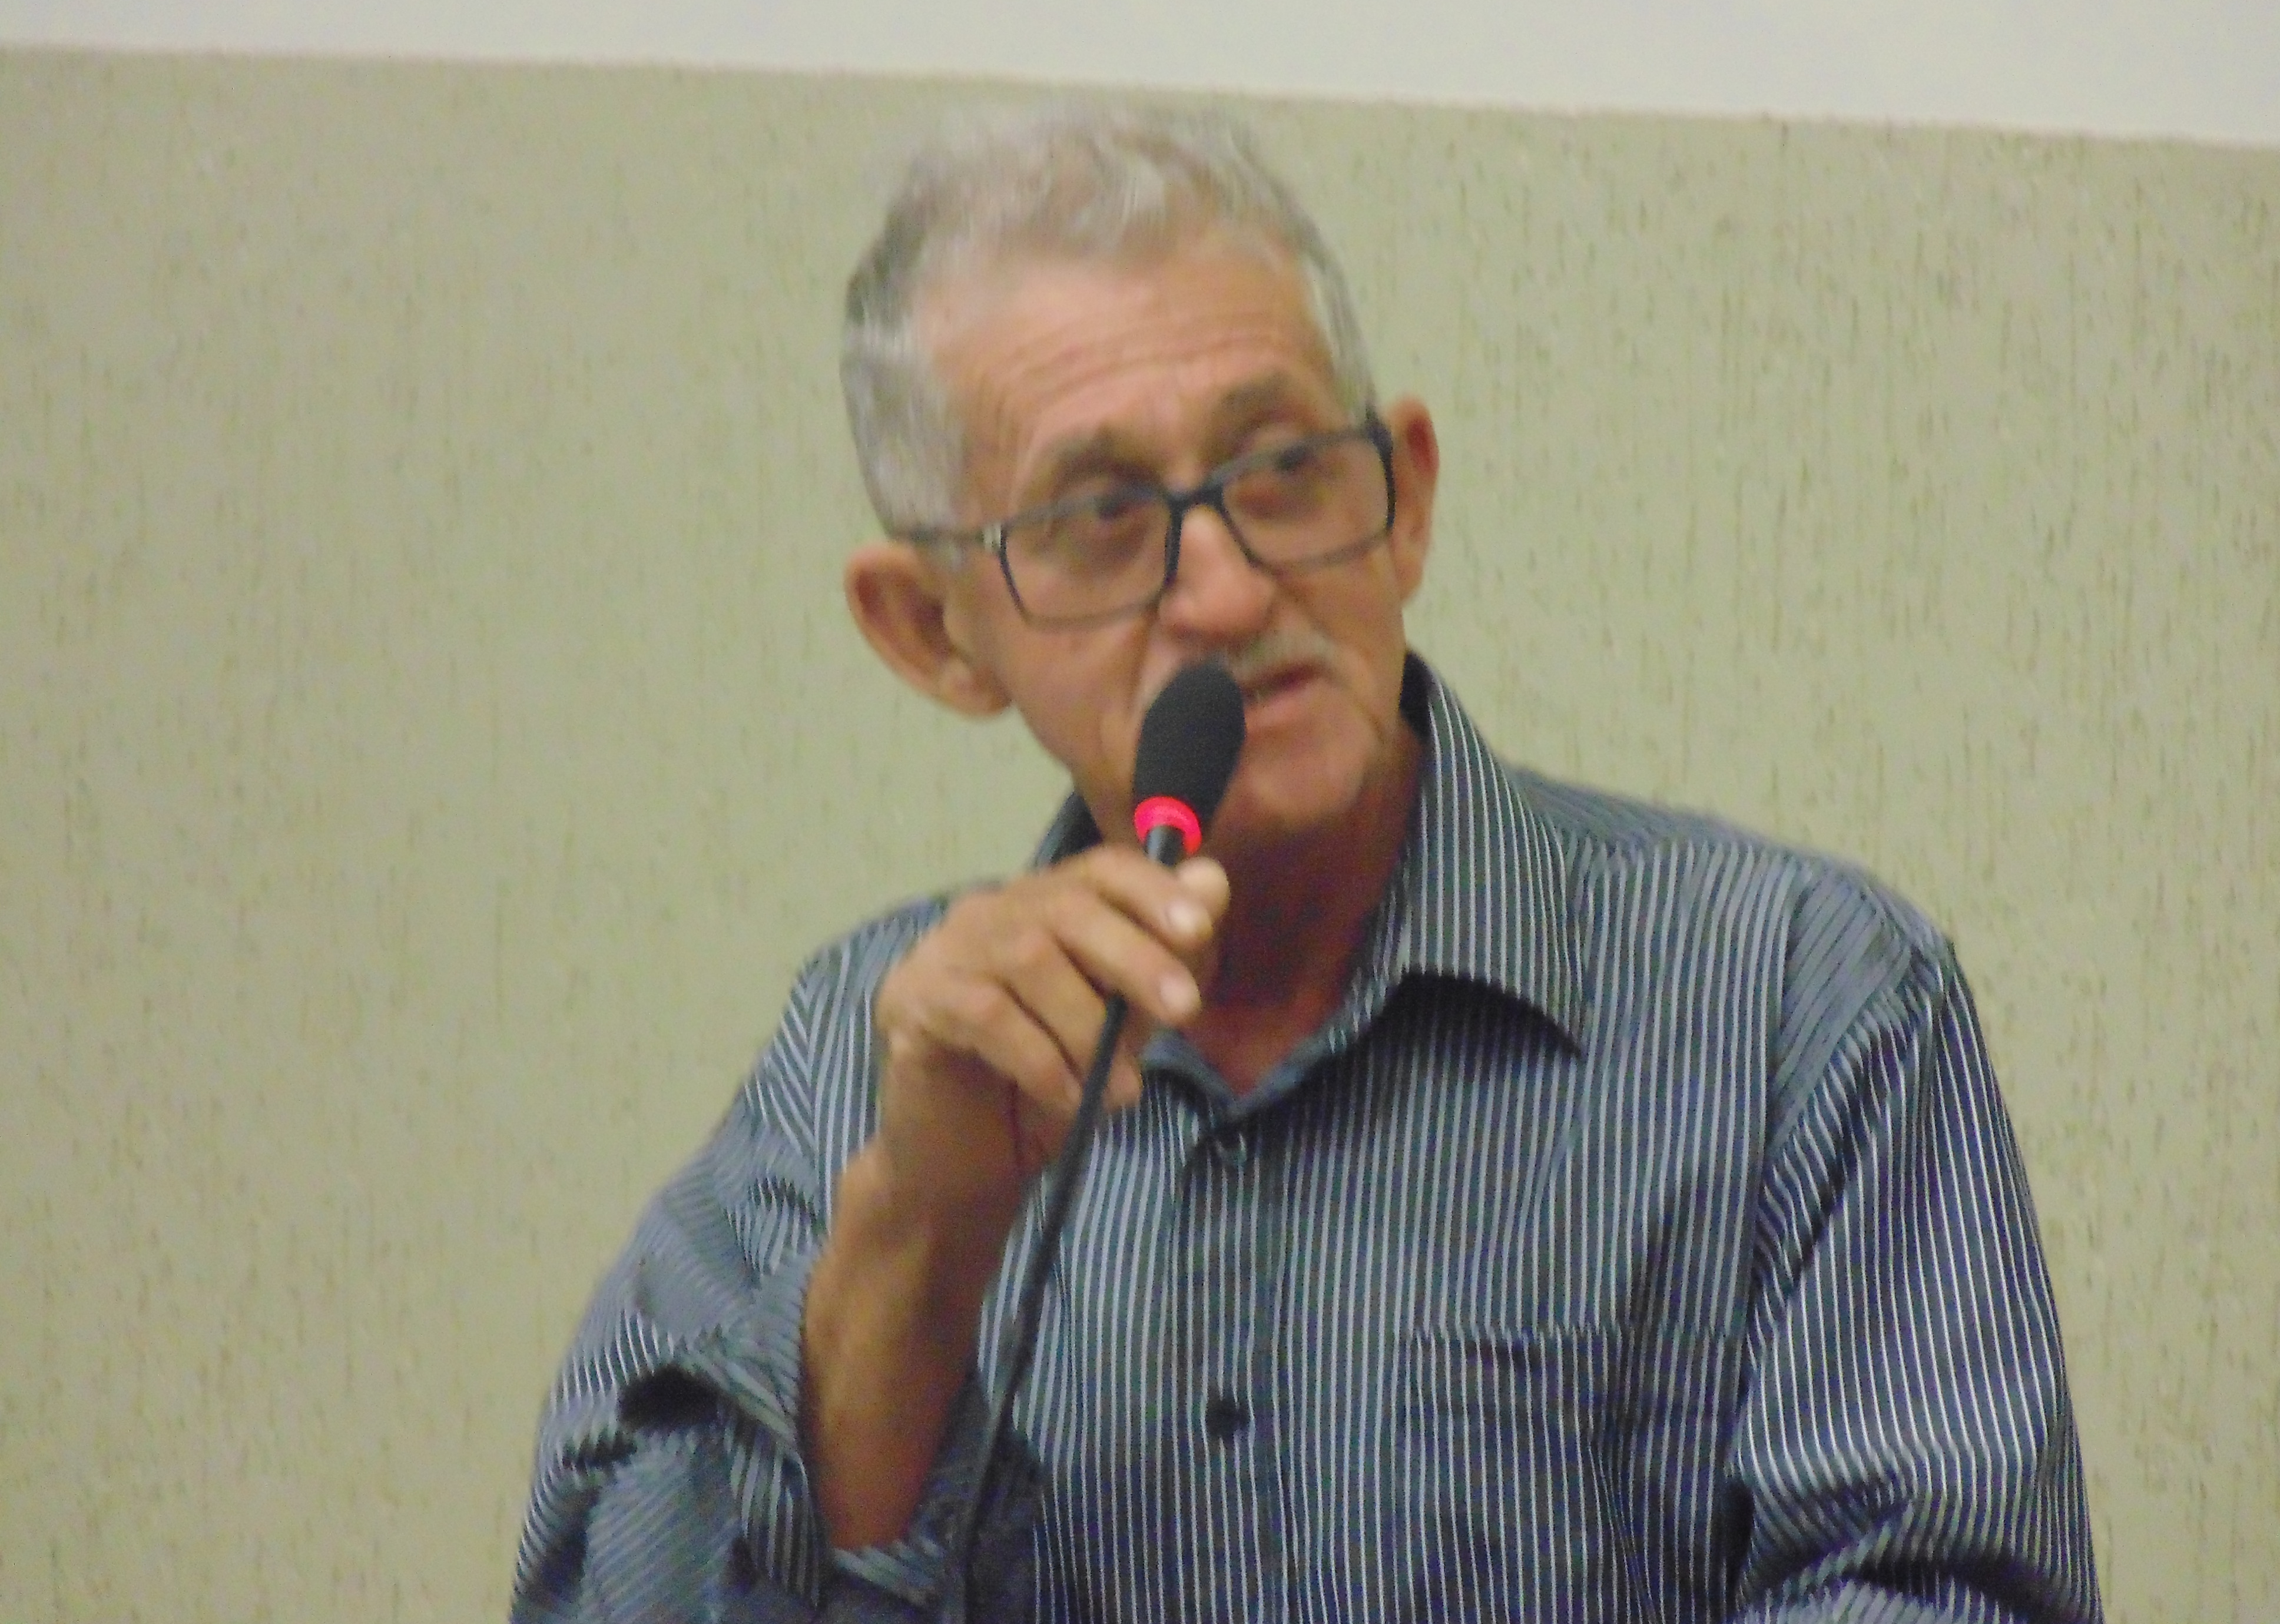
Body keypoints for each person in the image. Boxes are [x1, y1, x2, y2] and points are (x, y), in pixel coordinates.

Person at [511, 103, 2100, 1623]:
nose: (1224, 592)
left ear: (1401, 497)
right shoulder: (860, 1067)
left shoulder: (1800, 1001)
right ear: (934, 632)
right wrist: (916, 1254)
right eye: (1103, 517)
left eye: (1282, 470)